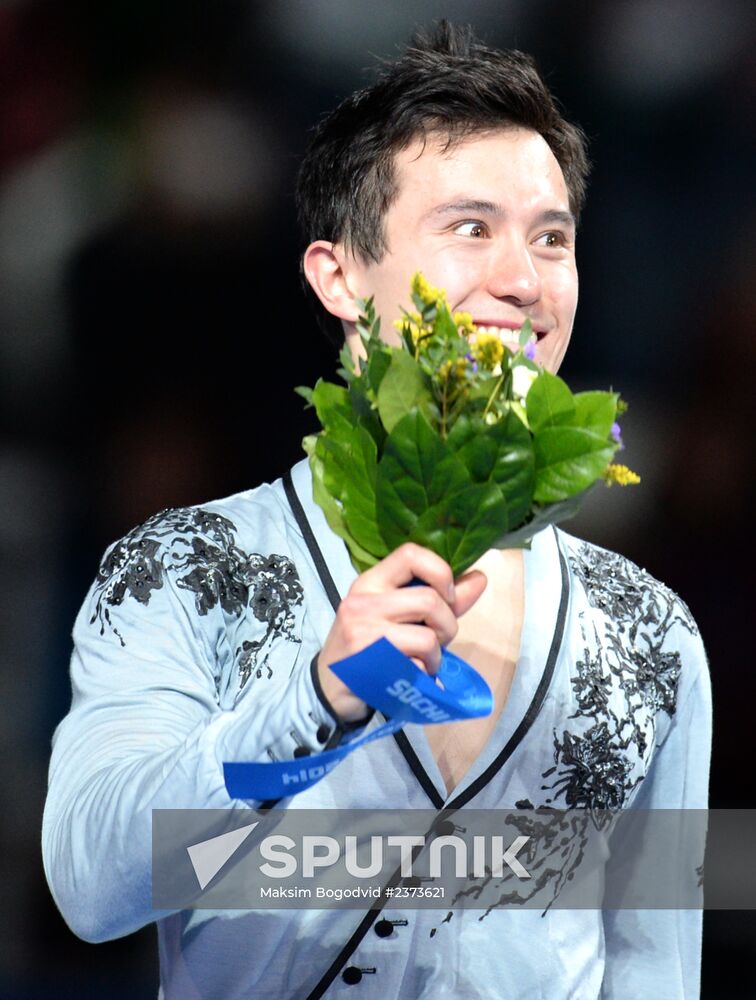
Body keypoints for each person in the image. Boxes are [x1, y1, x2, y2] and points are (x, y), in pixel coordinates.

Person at [43, 22, 711, 999]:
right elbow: (95, 889)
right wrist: (312, 704)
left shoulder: (649, 635)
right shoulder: (185, 569)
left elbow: (655, 973)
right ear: (340, 274)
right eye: (471, 227)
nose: (523, 282)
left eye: (552, 237)